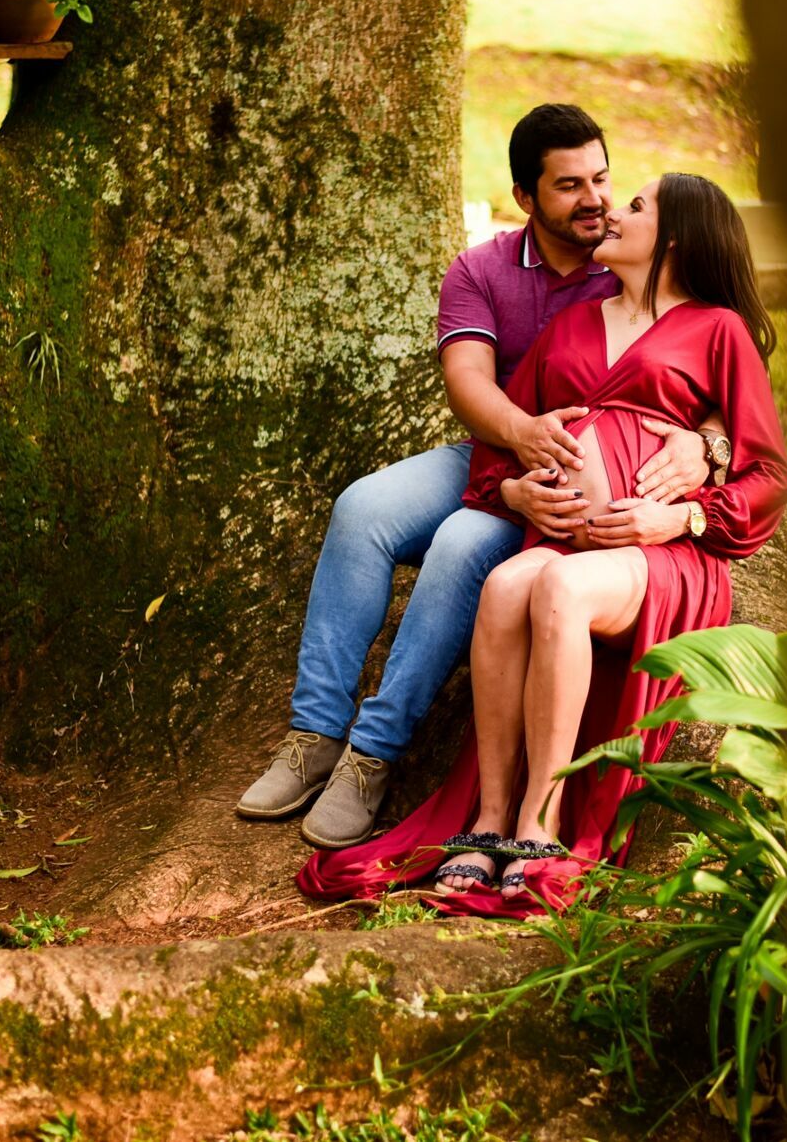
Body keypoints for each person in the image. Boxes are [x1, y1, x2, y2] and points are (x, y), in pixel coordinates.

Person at [297, 173, 787, 915]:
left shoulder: (717, 329)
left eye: (634, 206)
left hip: (661, 556)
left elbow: (770, 472)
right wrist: (514, 492)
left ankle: (541, 821)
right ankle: (491, 816)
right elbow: (500, 448)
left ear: (678, 240)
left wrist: (684, 518)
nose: (615, 212)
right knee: (505, 587)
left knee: (557, 591)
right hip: (567, 544)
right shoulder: (574, 325)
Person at [236, 106, 725, 848]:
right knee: (362, 510)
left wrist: (707, 446)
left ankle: (374, 753)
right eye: (569, 186)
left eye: (602, 178)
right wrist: (517, 449)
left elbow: (714, 366)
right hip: (498, 452)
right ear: (526, 197)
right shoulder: (483, 270)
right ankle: (314, 734)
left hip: (570, 481)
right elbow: (467, 379)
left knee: (465, 544)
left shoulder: (632, 256)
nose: (594, 200)